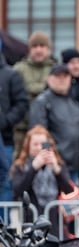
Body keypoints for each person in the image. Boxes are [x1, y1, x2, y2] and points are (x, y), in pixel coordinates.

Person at [10, 125, 74, 236]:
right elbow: (17, 190)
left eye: (43, 144)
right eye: (35, 144)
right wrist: (33, 168)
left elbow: (69, 190)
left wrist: (56, 169)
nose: (39, 148)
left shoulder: (58, 164)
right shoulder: (21, 166)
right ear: (28, 146)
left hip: (55, 222)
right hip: (31, 221)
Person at [28, 63, 79, 178]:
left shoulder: (75, 103)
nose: (62, 80)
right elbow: (39, 134)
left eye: (65, 76)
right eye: (58, 76)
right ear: (49, 79)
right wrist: (49, 158)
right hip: (53, 165)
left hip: (75, 165)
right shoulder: (42, 102)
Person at [12, 31, 58, 154]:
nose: (38, 50)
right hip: (22, 127)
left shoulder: (55, 69)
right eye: (35, 46)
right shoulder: (19, 69)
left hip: (48, 128)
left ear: (48, 49)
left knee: (47, 156)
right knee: (20, 159)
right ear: (29, 49)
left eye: (42, 46)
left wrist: (30, 88)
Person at [0, 39, 28, 200]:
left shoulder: (10, 75)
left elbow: (22, 103)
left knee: (5, 181)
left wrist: (6, 121)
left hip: (5, 139)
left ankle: (3, 216)